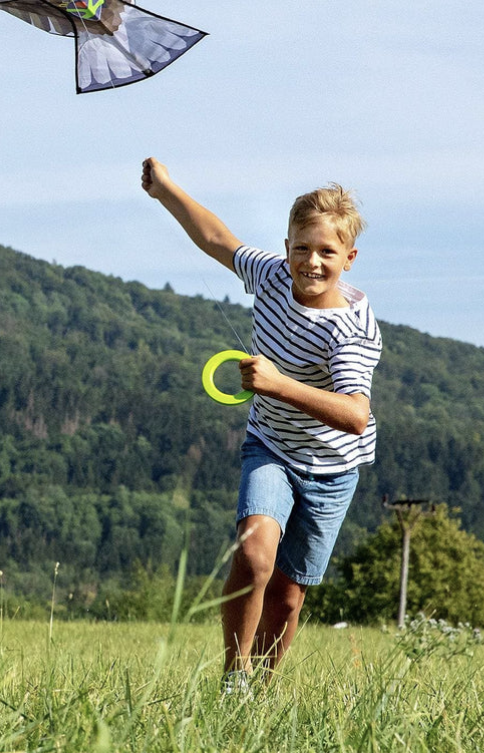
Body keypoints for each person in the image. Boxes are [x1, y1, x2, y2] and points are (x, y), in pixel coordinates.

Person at [140, 157, 382, 689]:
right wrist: (165, 189)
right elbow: (217, 237)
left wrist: (278, 384)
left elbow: (356, 415)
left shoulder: (352, 330)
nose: (311, 262)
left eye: (327, 252)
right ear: (287, 246)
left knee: (290, 595)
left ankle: (263, 693)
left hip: (330, 470)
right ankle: (235, 678)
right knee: (253, 555)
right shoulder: (272, 277)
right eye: (302, 248)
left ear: (349, 258)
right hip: (270, 447)